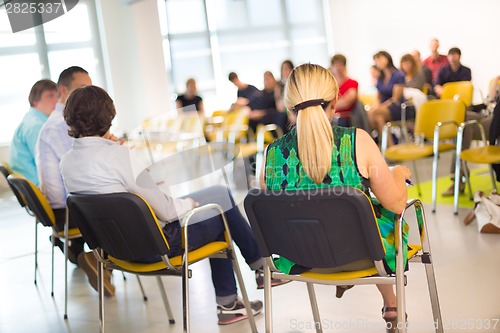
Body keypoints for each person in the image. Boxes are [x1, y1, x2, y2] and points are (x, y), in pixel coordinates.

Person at [60, 85, 289, 325]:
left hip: (115, 251)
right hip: (157, 245)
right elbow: (167, 211)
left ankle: (245, 286)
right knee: (219, 207)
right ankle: (254, 276)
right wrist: (187, 203)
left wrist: (138, 173)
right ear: (108, 116)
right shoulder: (118, 156)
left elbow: (111, 194)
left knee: (218, 195)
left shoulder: (67, 163)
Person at [261, 63, 413, 325]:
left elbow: (273, 210)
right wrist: (398, 174)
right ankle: (391, 303)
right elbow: (397, 203)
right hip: (362, 255)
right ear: (334, 102)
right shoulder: (357, 141)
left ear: (288, 108)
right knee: (382, 214)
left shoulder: (272, 154)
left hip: (301, 260)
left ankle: (383, 298)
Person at [34, 66, 114, 296]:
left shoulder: (61, 122)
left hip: (66, 206)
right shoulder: (63, 125)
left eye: (90, 88)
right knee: (125, 203)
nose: (87, 94)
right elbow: (87, 172)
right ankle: (104, 261)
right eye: (81, 88)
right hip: (69, 210)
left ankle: (96, 259)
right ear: (63, 90)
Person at [9, 79, 57, 185]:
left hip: (31, 184)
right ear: (35, 101)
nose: (56, 100)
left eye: (57, 96)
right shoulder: (36, 125)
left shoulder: (31, 119)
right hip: (38, 185)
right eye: (50, 96)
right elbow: (46, 164)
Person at [368, 51, 409, 146]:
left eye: (380, 59)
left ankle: (372, 144)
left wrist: (380, 107)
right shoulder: (380, 78)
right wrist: (377, 105)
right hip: (382, 109)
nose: (379, 62)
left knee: (373, 113)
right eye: (376, 60)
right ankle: (391, 148)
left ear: (387, 58)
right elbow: (378, 97)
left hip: (397, 107)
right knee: (378, 118)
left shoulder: (398, 75)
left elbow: (395, 99)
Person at [329, 54, 359, 127]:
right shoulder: (329, 85)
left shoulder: (352, 83)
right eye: (335, 65)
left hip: (346, 118)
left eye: (340, 65)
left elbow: (346, 103)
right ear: (332, 67)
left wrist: (329, 105)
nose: (338, 68)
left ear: (344, 67)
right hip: (330, 117)